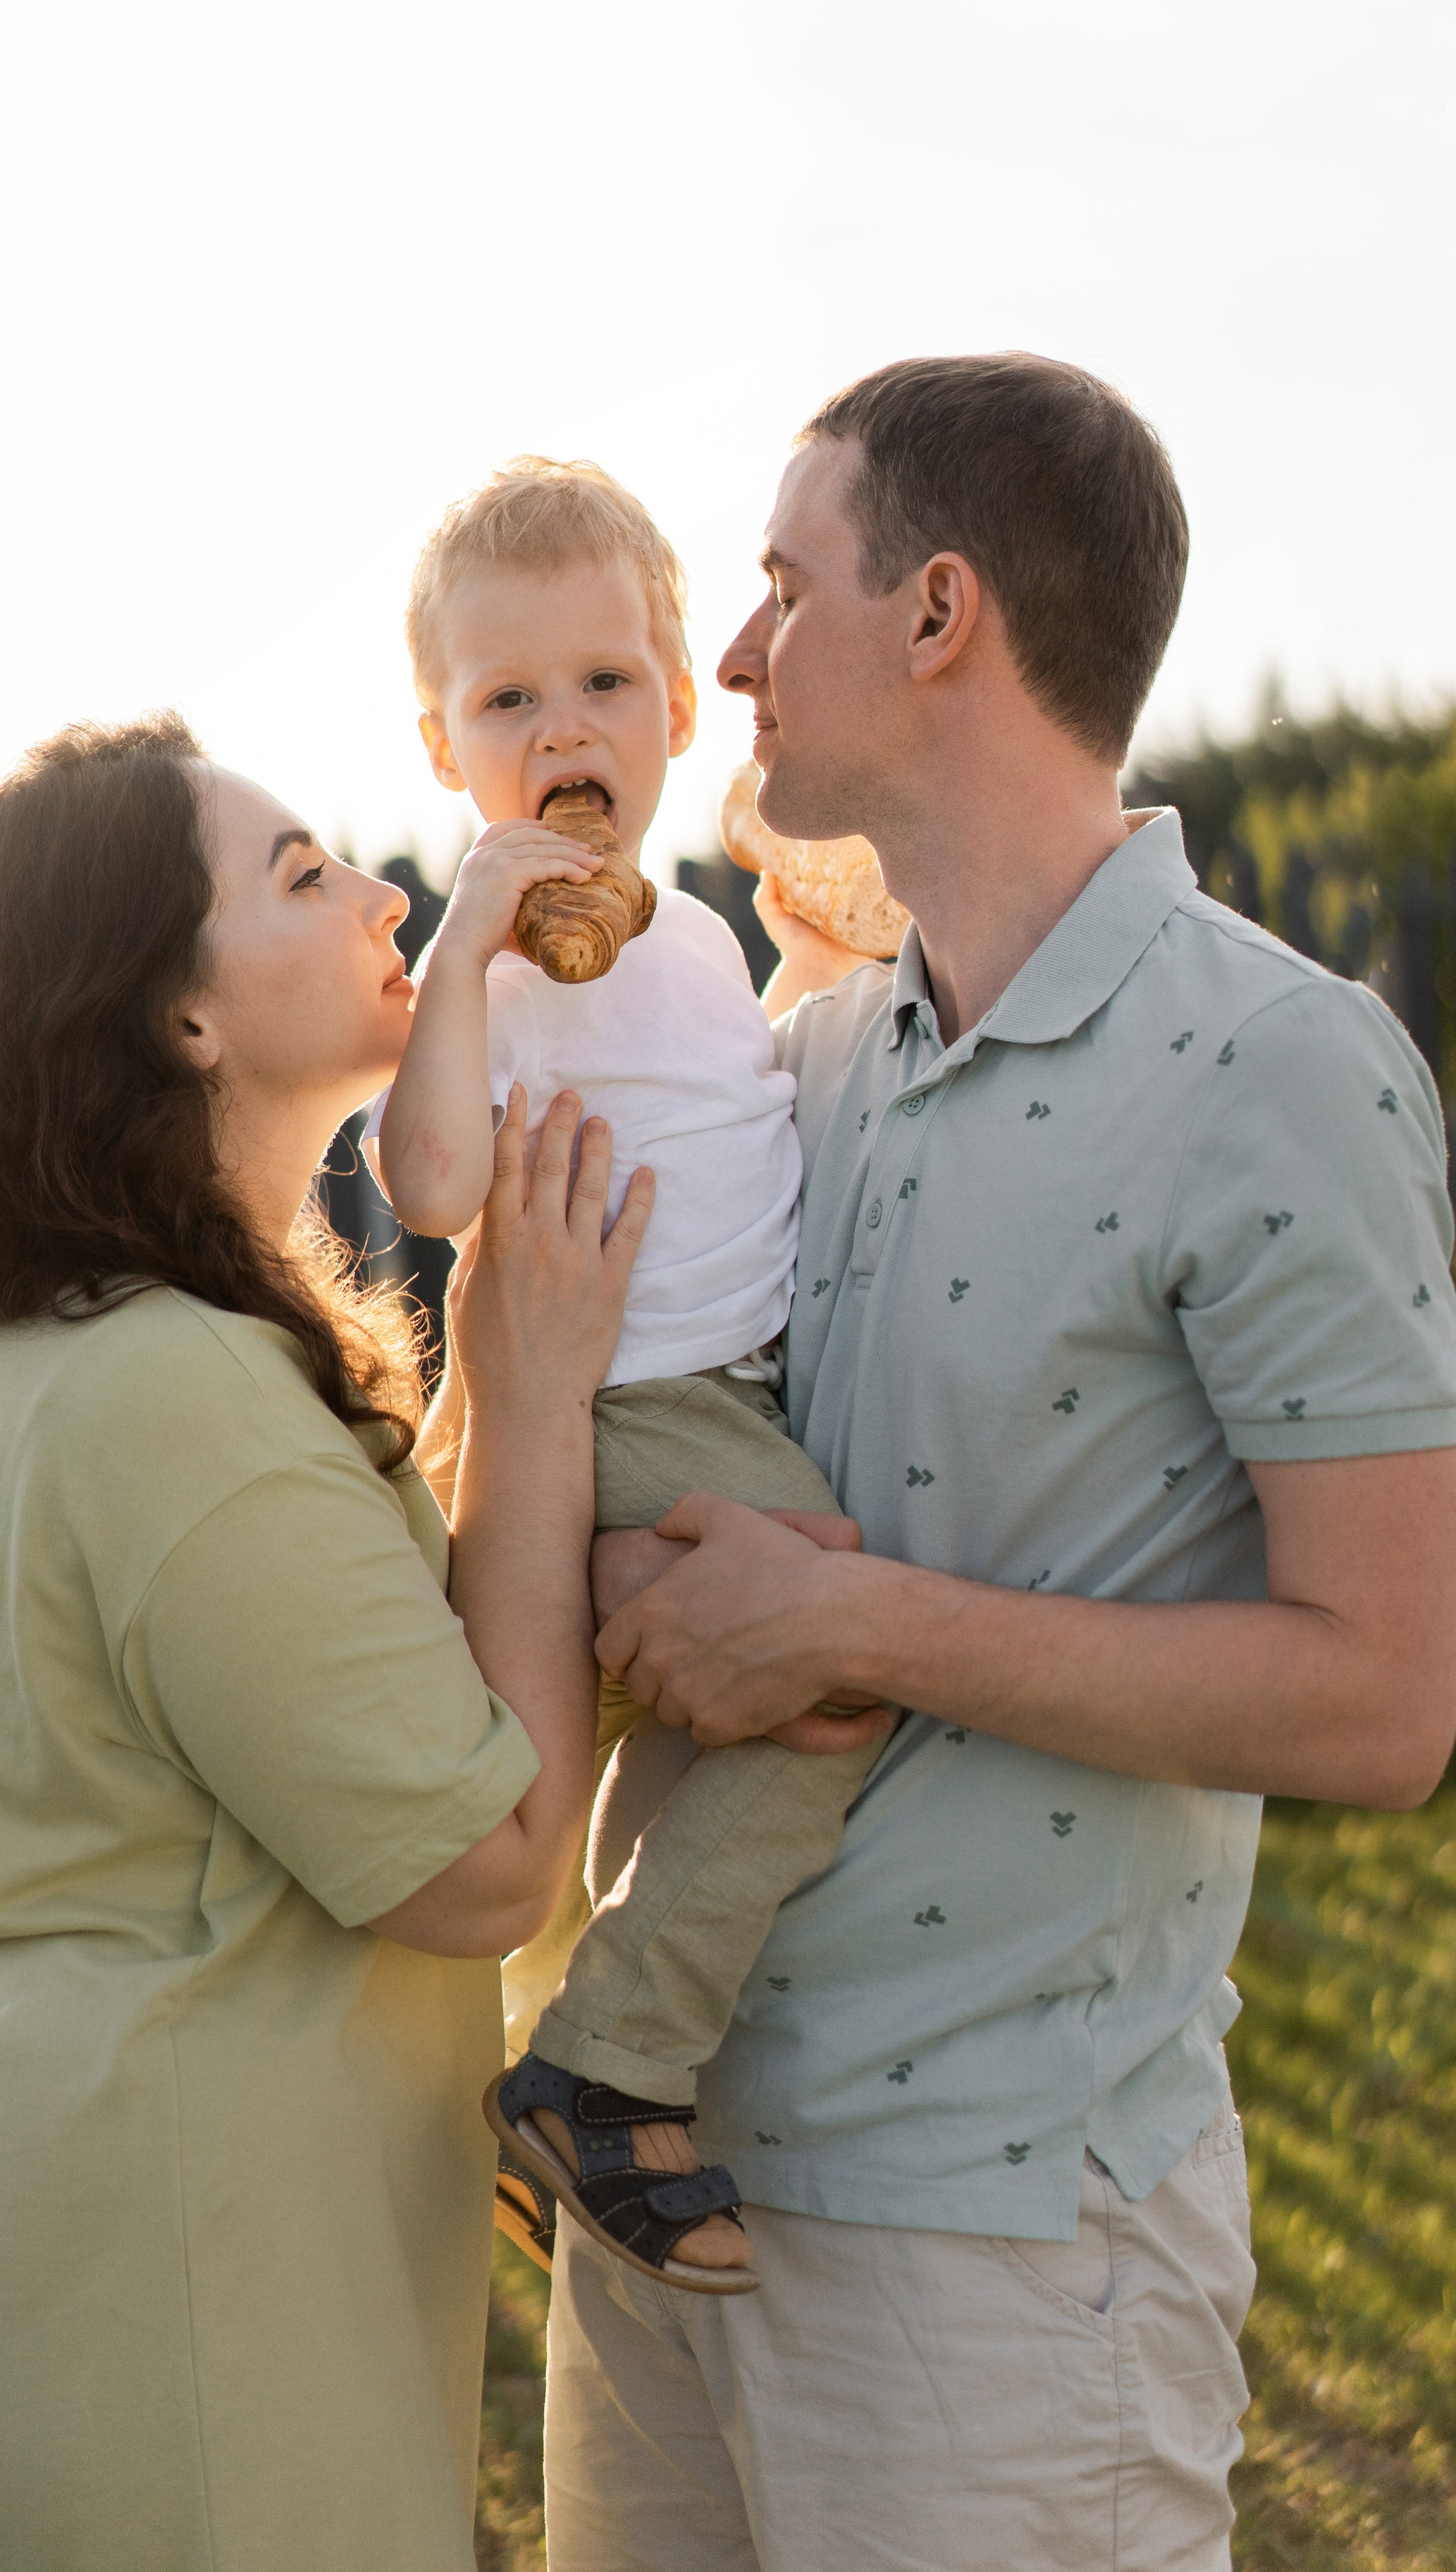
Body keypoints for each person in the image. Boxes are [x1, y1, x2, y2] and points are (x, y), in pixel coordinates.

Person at [560, 356, 1456, 2571]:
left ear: (942, 612)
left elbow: (1382, 1695)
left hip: (998, 2248)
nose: (741, 653)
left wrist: (847, 1620)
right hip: (660, 2193)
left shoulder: (1282, 1066)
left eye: (787, 583)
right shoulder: (809, 1059)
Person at [0, 713, 650, 2572]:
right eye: (299, 873)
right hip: (153, 2333)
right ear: (179, 1018)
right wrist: (535, 1396)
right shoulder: (171, 1388)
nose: (388, 889)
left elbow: (347, 1663)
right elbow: (486, 1858)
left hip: (66, 2269)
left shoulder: (101, 1341)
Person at [371, 459, 892, 2294]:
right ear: (448, 750)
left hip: (712, 1387)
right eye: (506, 699)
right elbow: (431, 1190)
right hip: (624, 1399)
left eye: (601, 681)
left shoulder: (691, 943)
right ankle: (609, 2062)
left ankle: (587, 2033)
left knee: (656, 1753)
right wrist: (457, 949)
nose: (559, 726)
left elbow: (738, 1099)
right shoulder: (494, 970)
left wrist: (824, 940)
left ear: (679, 707)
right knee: (838, 1676)